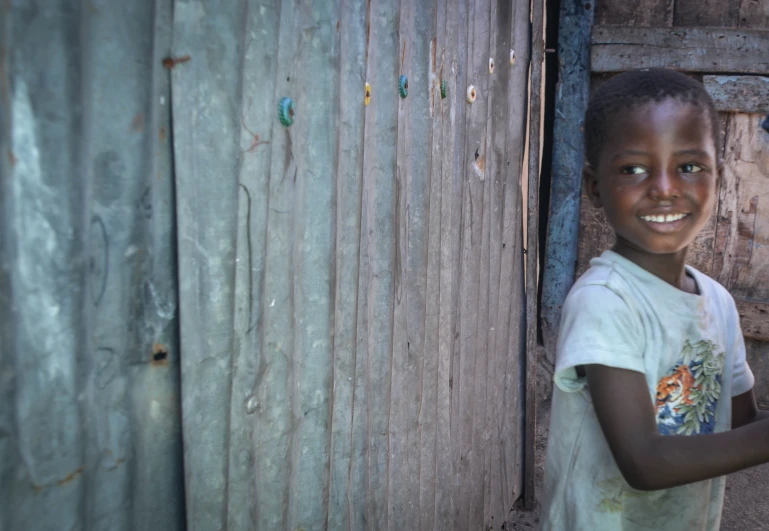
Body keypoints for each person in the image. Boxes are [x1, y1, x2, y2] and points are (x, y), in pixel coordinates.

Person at [539, 68, 769, 530]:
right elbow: (644, 463)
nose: (665, 187)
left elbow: (740, 427)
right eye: (633, 169)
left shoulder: (719, 303)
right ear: (595, 187)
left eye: (688, 166)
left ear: (717, 178)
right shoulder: (605, 303)